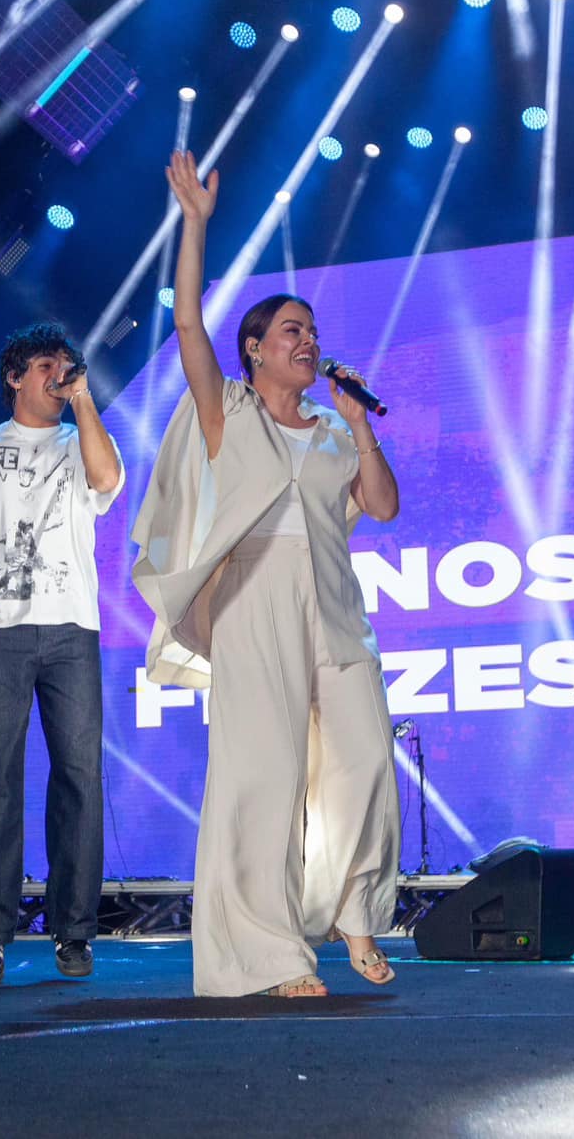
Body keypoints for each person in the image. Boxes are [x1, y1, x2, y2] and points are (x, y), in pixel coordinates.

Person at [133, 149, 403, 999]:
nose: (310, 341)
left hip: (332, 603)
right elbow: (185, 327)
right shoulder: (230, 413)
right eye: (292, 331)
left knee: (364, 757)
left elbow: (384, 507)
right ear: (254, 349)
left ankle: (350, 908)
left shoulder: (330, 427)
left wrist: (360, 424)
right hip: (251, 600)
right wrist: (196, 226)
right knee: (265, 775)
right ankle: (272, 954)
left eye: (313, 331)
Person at [0, 321, 123, 986]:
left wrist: (85, 398)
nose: (58, 374)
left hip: (71, 629)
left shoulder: (80, 437)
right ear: (14, 377)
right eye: (46, 365)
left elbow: (107, 480)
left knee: (79, 780)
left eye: (65, 365)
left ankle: (75, 931)